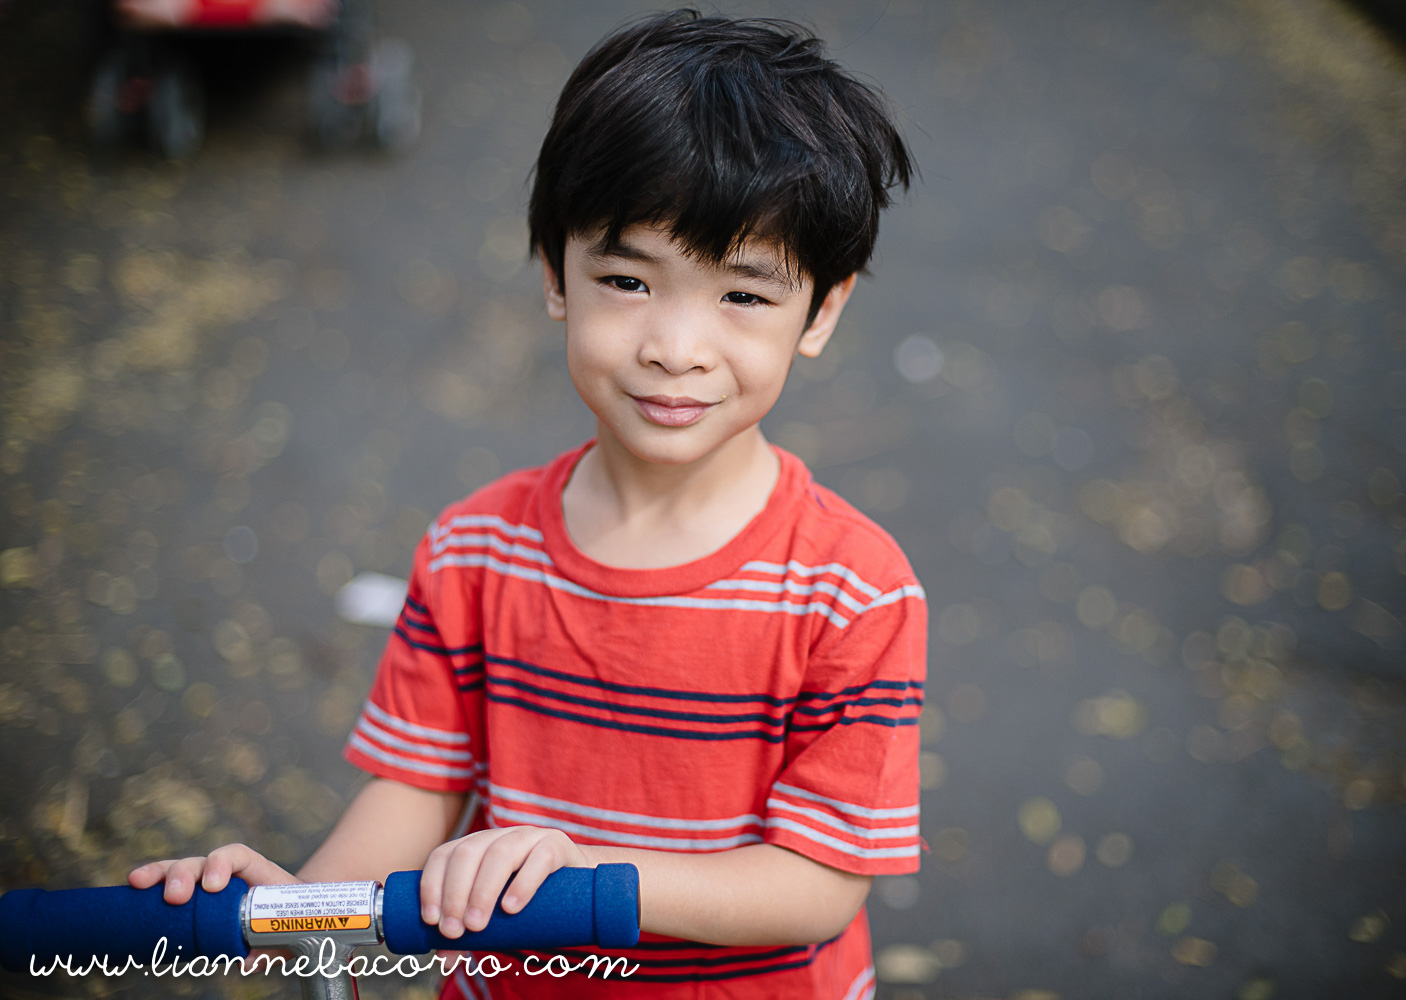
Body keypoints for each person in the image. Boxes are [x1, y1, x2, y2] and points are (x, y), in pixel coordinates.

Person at [129, 9, 923, 997]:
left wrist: (592, 880)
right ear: (555, 272)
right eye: (627, 279)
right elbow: (415, 793)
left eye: (744, 296)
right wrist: (294, 907)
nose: (674, 345)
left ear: (823, 310)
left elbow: (816, 886)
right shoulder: (476, 551)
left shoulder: (852, 591)